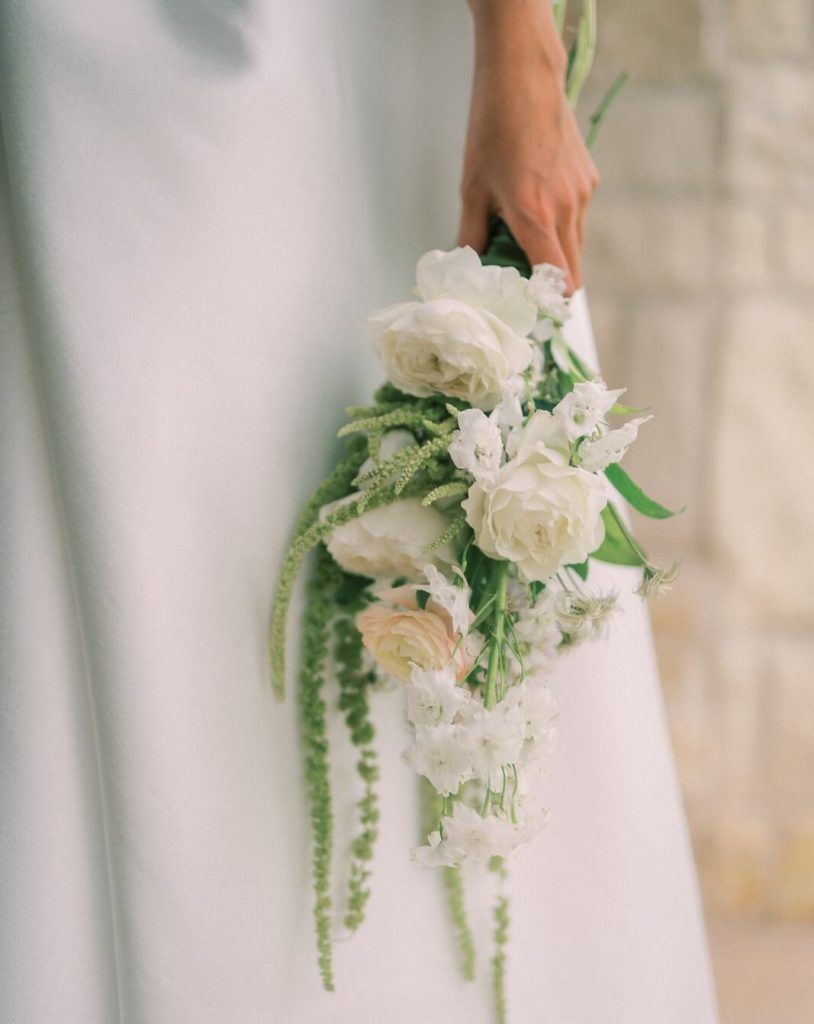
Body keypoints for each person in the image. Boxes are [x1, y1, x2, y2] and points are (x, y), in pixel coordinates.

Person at [0, 2, 719, 1021]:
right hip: (89, 68)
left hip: (347, 42)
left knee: (460, 468)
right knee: (131, 546)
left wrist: (522, 47)